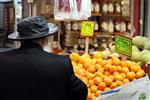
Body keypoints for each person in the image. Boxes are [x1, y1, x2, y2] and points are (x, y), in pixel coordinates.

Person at [0, 16, 88, 100]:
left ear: (20, 39)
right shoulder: (61, 63)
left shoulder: (2, 60)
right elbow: (80, 93)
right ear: (45, 40)